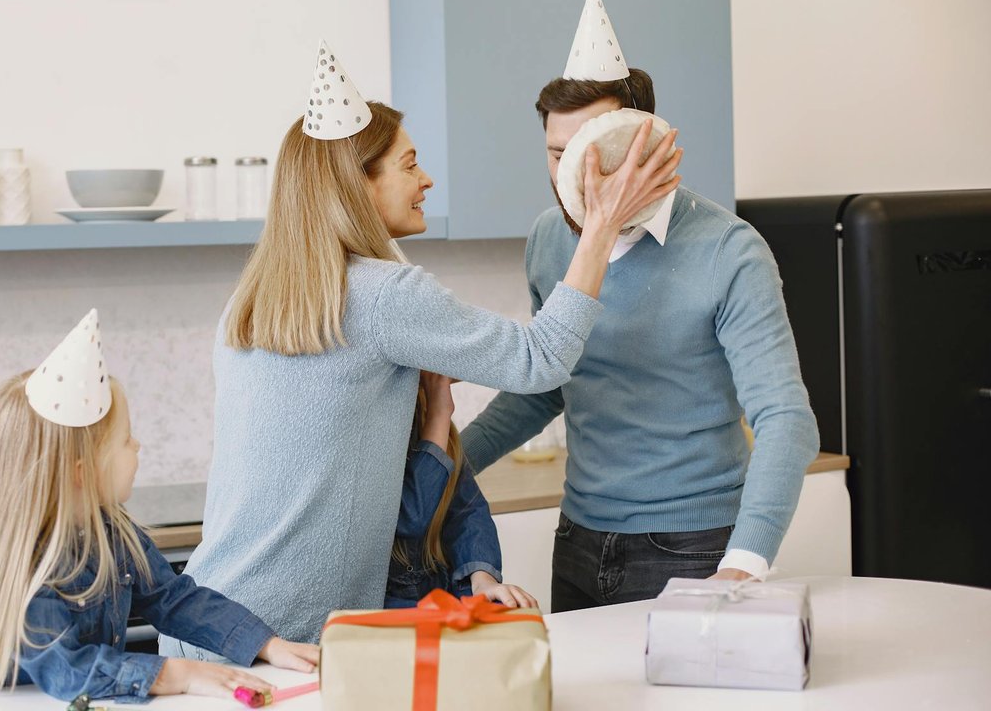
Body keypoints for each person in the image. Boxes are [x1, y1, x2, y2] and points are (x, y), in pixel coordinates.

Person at [158, 40, 680, 653]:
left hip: (207, 621)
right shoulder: (384, 295)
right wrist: (602, 222)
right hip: (285, 638)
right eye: (408, 165)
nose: (426, 179)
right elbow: (542, 360)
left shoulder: (252, 299)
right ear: (359, 184)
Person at [460, 64, 821, 610]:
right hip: (578, 539)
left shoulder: (729, 250)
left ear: (645, 145)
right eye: (559, 155)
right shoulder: (548, 240)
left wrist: (743, 566)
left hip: (694, 552)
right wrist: (445, 468)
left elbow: (786, 421)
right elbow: (547, 381)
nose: (576, 179)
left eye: (594, 153)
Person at [0, 310, 318, 704]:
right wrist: (178, 673)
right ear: (82, 472)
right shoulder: (28, 566)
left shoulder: (113, 533)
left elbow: (174, 599)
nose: (137, 446)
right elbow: (68, 671)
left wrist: (266, 644)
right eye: (126, 439)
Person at [386, 372, 537, 609]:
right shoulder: (367, 441)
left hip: (441, 610)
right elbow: (410, 516)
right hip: (385, 620)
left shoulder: (430, 428)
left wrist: (482, 580)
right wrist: (440, 410)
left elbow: (467, 513)